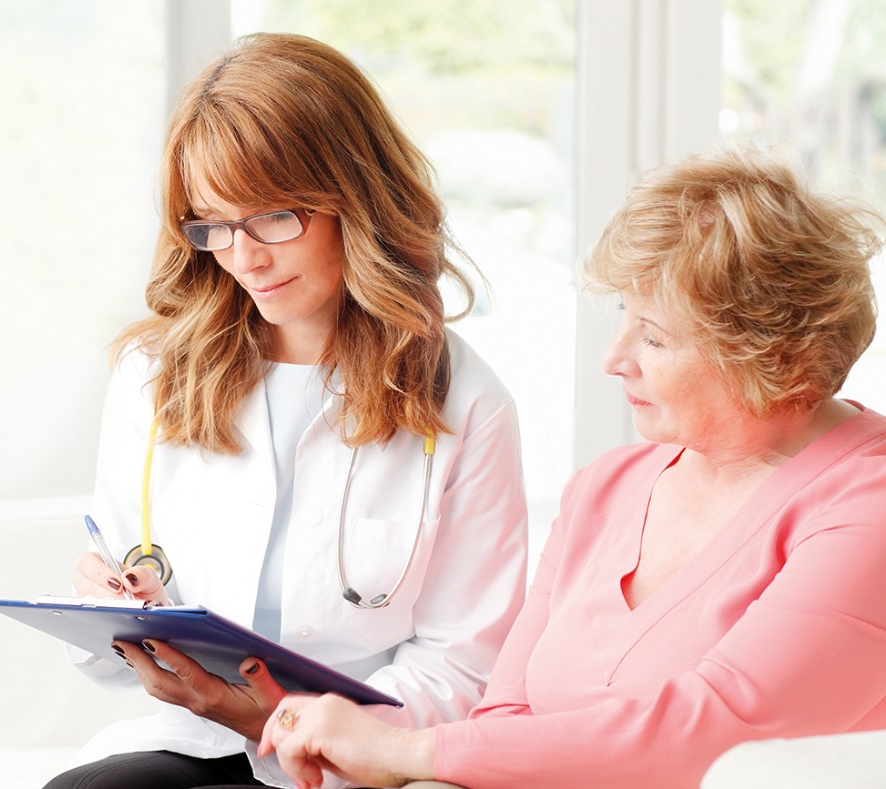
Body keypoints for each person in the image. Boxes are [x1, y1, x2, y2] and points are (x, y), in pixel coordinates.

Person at [258, 146, 886, 789]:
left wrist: (408, 751)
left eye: (655, 337)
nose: (616, 359)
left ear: (769, 354)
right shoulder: (606, 489)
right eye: (624, 319)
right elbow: (504, 715)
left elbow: (714, 735)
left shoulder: (868, 506)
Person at [44, 32, 529, 789]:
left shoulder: (466, 405)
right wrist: (110, 602)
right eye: (213, 225)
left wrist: (286, 720)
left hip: (358, 762)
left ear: (356, 196)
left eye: (273, 216)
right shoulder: (154, 375)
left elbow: (465, 666)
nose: (244, 257)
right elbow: (121, 582)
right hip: (192, 741)